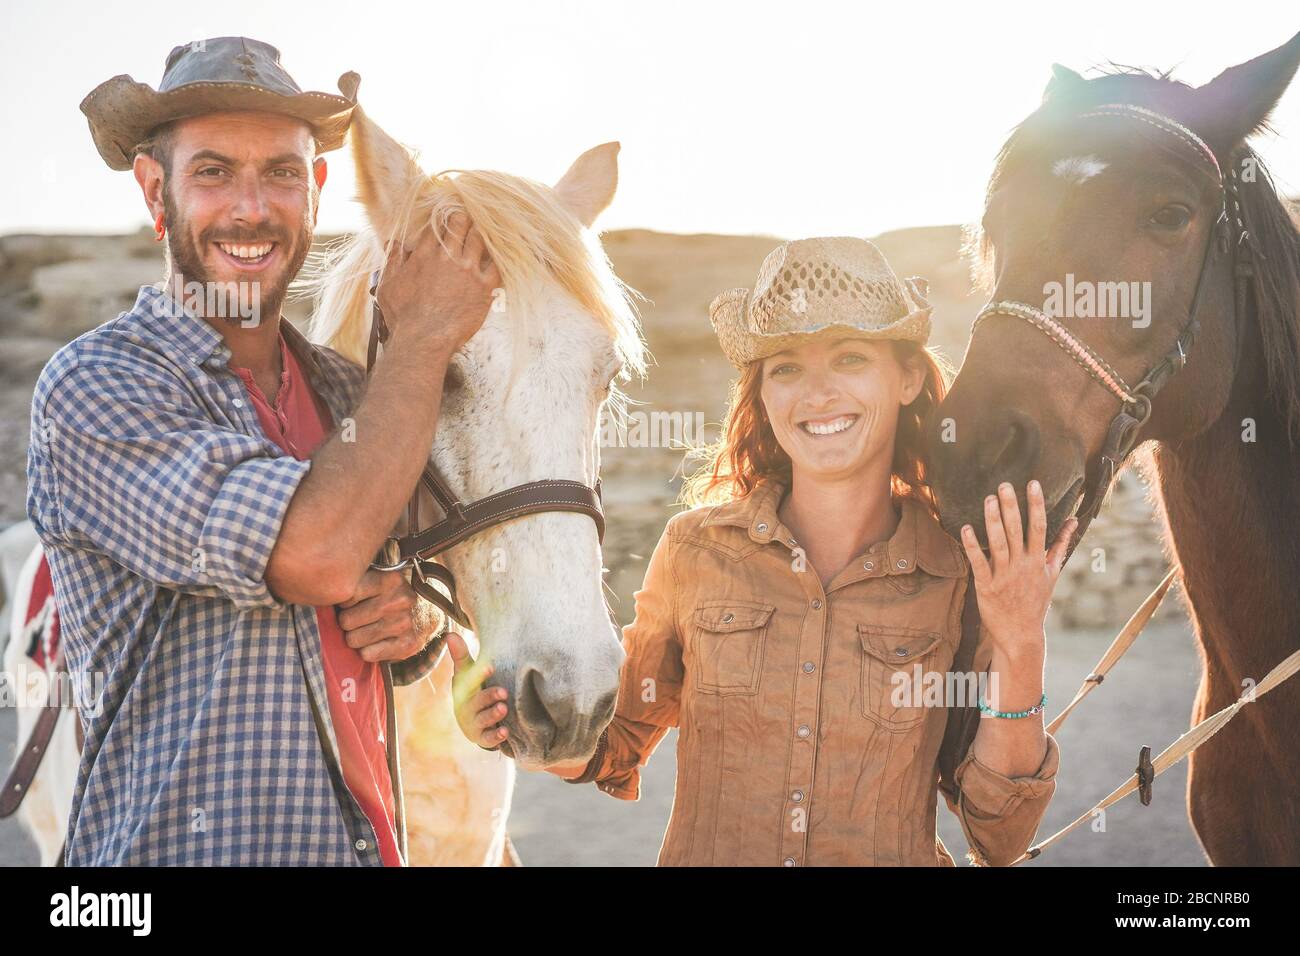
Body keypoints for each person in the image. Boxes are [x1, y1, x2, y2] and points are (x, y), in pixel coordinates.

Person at [26, 37, 499, 865]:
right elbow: (312, 555)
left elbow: (402, 586)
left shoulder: (355, 397)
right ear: (155, 191)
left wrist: (413, 612)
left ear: (316, 191)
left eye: (282, 172)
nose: (252, 208)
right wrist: (423, 337)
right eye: (212, 172)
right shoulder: (96, 386)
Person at [453, 236, 1074, 866]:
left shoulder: (958, 572)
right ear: (763, 394)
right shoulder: (695, 549)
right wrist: (506, 721)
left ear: (908, 377)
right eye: (786, 367)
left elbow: (1001, 834)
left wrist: (1021, 638)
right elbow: (611, 747)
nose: (818, 393)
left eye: (850, 358)